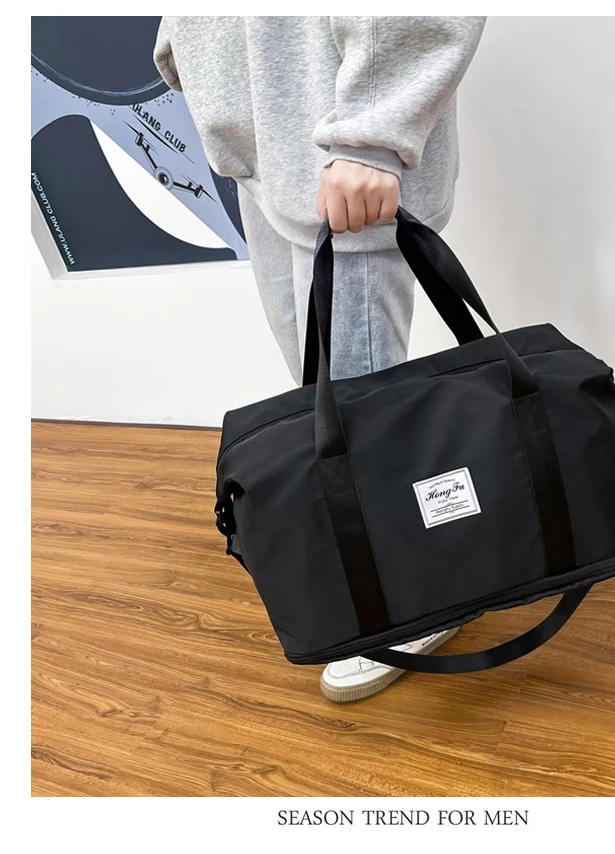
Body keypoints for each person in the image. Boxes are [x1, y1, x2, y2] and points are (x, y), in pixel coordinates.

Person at [154, 15, 486, 702]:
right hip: (267, 140)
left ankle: (425, 595)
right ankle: (388, 556)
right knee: (326, 397)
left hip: (345, 150)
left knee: (359, 407)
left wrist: (373, 133)